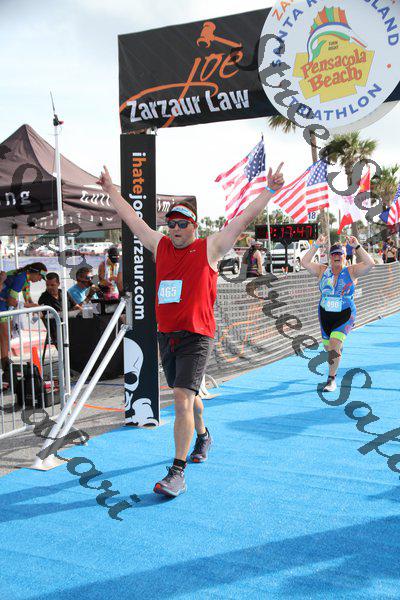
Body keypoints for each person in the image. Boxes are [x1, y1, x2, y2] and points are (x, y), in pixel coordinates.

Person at [97, 162, 285, 497]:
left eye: (182, 224)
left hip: (197, 336)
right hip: (167, 335)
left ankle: (177, 473)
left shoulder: (210, 247)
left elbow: (242, 220)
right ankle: (203, 435)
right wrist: (111, 190)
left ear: (194, 226)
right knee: (190, 396)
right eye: (171, 224)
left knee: (182, 398)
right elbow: (133, 220)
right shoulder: (160, 246)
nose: (175, 229)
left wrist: (269, 190)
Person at [301, 235, 374, 392]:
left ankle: (331, 380)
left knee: (334, 345)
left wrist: (357, 246)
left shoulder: (351, 271)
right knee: (329, 349)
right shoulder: (322, 270)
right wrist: (316, 245)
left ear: (344, 256)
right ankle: (337, 349)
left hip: (345, 314)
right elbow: (304, 262)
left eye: (340, 254)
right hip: (325, 315)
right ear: (330, 257)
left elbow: (370, 263)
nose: (337, 256)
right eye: (334, 254)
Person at [0, 262, 47, 385]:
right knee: (4, 339)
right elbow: (11, 301)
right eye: (40, 277)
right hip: (2, 304)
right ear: (35, 272)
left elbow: (27, 299)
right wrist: (31, 306)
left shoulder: (26, 278)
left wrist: (35, 308)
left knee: (7, 337)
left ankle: (7, 368)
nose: (40, 280)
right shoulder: (21, 278)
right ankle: (6, 368)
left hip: (4, 305)